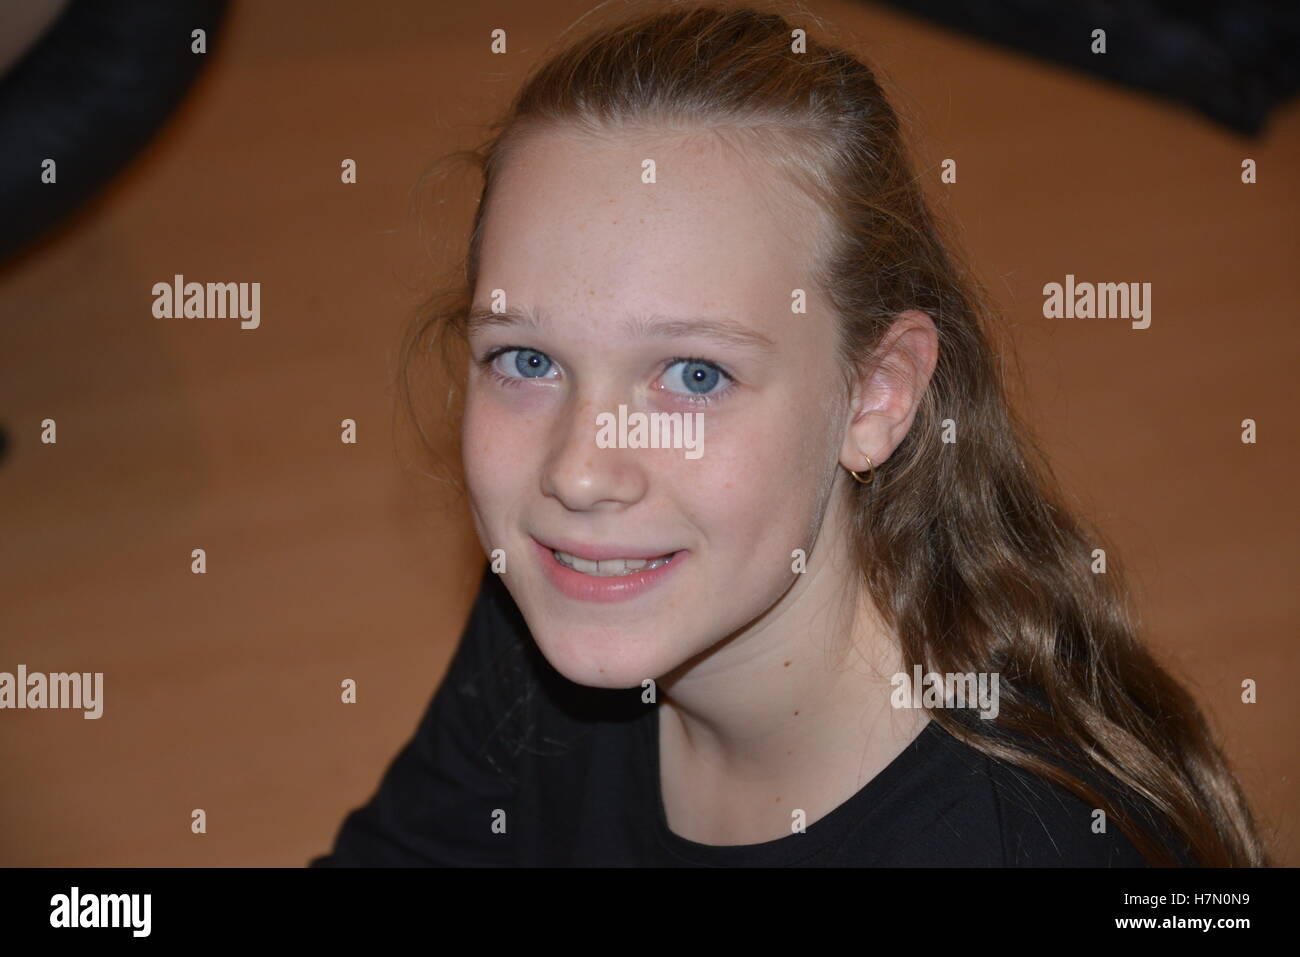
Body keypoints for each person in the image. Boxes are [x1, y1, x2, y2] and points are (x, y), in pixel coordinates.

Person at [312, 1, 1266, 867]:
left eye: (694, 375)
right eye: (526, 360)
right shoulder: (580, 583)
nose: (579, 470)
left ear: (875, 397)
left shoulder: (1023, 841)